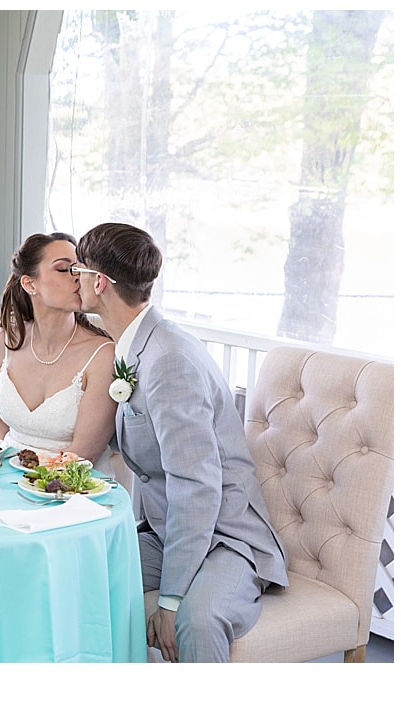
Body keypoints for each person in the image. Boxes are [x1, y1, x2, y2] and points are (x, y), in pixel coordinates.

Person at [74, 222, 287, 662]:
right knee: (79, 573)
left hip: (223, 537)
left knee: (198, 620)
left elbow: (197, 487)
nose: (73, 278)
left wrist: (170, 600)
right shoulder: (130, 346)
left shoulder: (168, 360)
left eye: (77, 269)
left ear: (99, 283)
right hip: (165, 530)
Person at [0, 232, 118, 471]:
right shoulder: (5, 342)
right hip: (6, 479)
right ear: (29, 284)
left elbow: (84, 454)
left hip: (70, 489)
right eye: (64, 269)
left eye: (79, 269)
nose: (76, 278)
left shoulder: (102, 356)